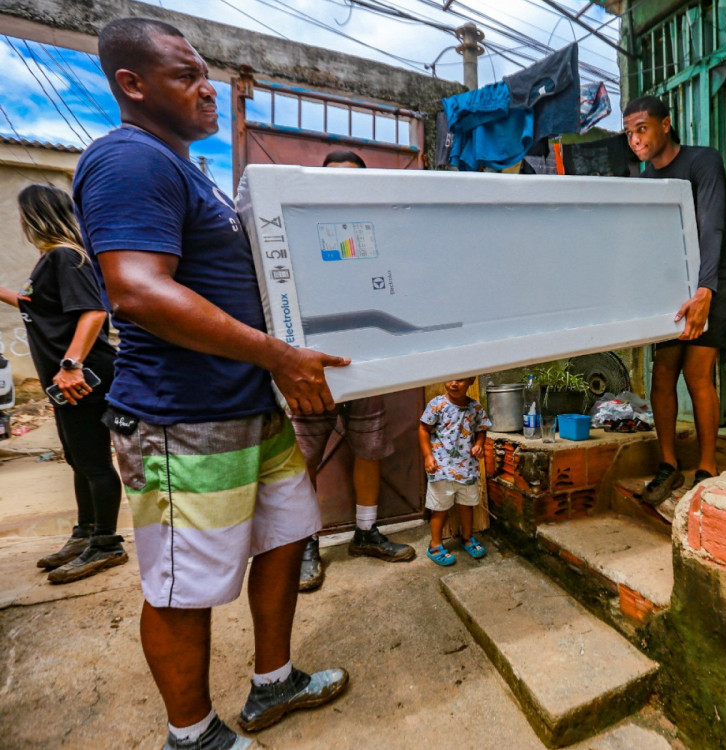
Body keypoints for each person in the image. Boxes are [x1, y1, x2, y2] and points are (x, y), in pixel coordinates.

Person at [74, 18, 348, 749]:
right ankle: (191, 736)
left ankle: (273, 681)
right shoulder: (128, 161)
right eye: (185, 76)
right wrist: (279, 356)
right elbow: (136, 291)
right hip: (181, 419)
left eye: (206, 75)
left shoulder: (184, 169)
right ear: (132, 85)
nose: (208, 90)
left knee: (288, 535)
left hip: (246, 408)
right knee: (182, 588)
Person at [292, 149, 415, 594]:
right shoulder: (296, 229)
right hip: (310, 366)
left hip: (365, 362)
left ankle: (365, 532)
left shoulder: (375, 231)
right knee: (301, 460)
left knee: (370, 449)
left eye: (351, 178)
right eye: (332, 178)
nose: (341, 186)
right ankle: (306, 544)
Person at [0, 184, 126, 584]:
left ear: (35, 216)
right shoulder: (52, 260)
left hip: (81, 376)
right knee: (78, 459)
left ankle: (107, 544)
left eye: (23, 215)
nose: (20, 223)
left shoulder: (66, 257)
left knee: (93, 461)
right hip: (66, 380)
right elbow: (37, 307)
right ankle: (86, 533)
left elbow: (92, 313)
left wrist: (71, 364)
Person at [623, 95, 726, 514]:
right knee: (662, 375)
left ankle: (707, 469)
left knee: (698, 374)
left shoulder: (702, 162)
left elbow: (712, 226)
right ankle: (668, 464)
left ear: (665, 124)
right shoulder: (640, 181)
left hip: (714, 280)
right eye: (630, 132)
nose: (636, 139)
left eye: (642, 128)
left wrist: (705, 291)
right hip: (670, 289)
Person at [418, 377, 491, 566]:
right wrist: (428, 456)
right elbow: (423, 429)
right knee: (439, 507)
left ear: (471, 381)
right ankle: (435, 544)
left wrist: (479, 444)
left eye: (460, 379)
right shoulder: (437, 404)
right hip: (440, 467)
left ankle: (467, 538)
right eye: (449, 378)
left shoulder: (475, 407)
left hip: (467, 468)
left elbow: (481, 429)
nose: (453, 383)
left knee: (467, 505)